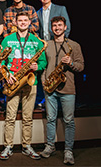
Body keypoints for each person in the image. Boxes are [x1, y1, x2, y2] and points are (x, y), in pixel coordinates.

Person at [0, 11, 47, 160]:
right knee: (10, 117)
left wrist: (36, 67)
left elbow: (43, 62)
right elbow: (1, 62)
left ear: (29, 22)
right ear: (15, 22)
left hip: (30, 82)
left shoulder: (37, 41)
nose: (23, 23)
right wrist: (8, 75)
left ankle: (27, 146)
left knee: (28, 118)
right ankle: (8, 146)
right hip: (13, 82)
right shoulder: (7, 40)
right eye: (20, 20)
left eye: (25, 20)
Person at [40, 16, 84, 165]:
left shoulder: (74, 45)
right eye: (54, 26)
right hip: (50, 88)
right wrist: (44, 81)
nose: (57, 28)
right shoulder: (47, 45)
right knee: (50, 119)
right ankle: (50, 146)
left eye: (60, 25)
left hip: (68, 88)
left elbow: (81, 66)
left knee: (69, 121)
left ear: (65, 27)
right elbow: (44, 66)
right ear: (51, 28)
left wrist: (71, 62)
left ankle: (68, 150)